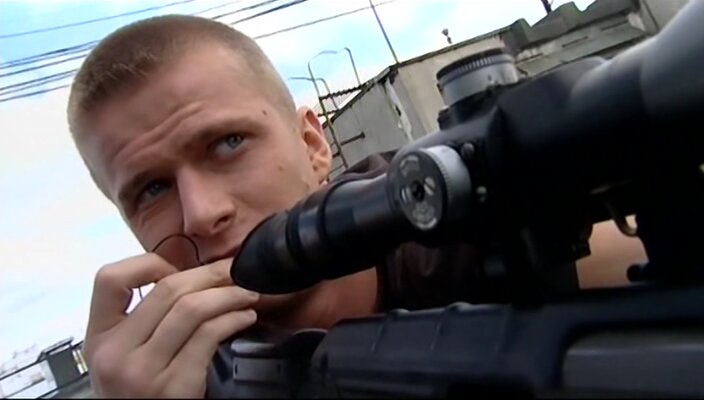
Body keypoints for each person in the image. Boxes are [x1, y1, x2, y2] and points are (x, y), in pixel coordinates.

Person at [66, 15, 647, 397]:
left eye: (227, 143)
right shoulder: (170, 382)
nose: (200, 213)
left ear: (313, 146)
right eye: (152, 190)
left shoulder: (458, 229)